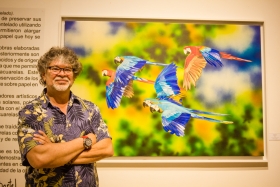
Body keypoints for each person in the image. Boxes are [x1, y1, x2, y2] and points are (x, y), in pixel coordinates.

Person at [17, 46, 114, 187]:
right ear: (44, 74)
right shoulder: (30, 112)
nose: (62, 74)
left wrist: (55, 153)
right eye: (55, 68)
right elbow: (38, 158)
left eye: (67, 69)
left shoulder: (90, 109)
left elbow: (107, 149)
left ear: (74, 76)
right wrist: (85, 141)